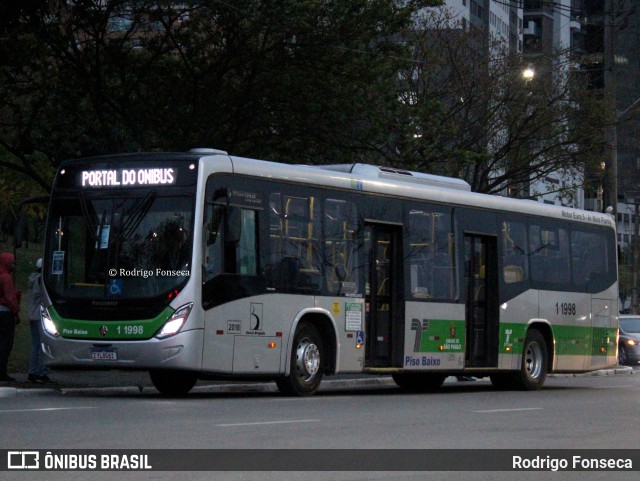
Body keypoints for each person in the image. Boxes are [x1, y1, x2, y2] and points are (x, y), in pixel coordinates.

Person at [27, 258, 50, 383]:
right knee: (40, 345)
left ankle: (35, 370)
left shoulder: (33, 279)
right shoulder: (41, 279)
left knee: (35, 345)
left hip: (32, 315)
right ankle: (38, 371)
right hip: (39, 316)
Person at [0, 252, 20, 383]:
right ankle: (2, 372)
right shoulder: (6, 278)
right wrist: (16, 311)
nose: (13, 265)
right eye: (12, 262)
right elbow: (10, 297)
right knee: (5, 343)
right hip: (5, 313)